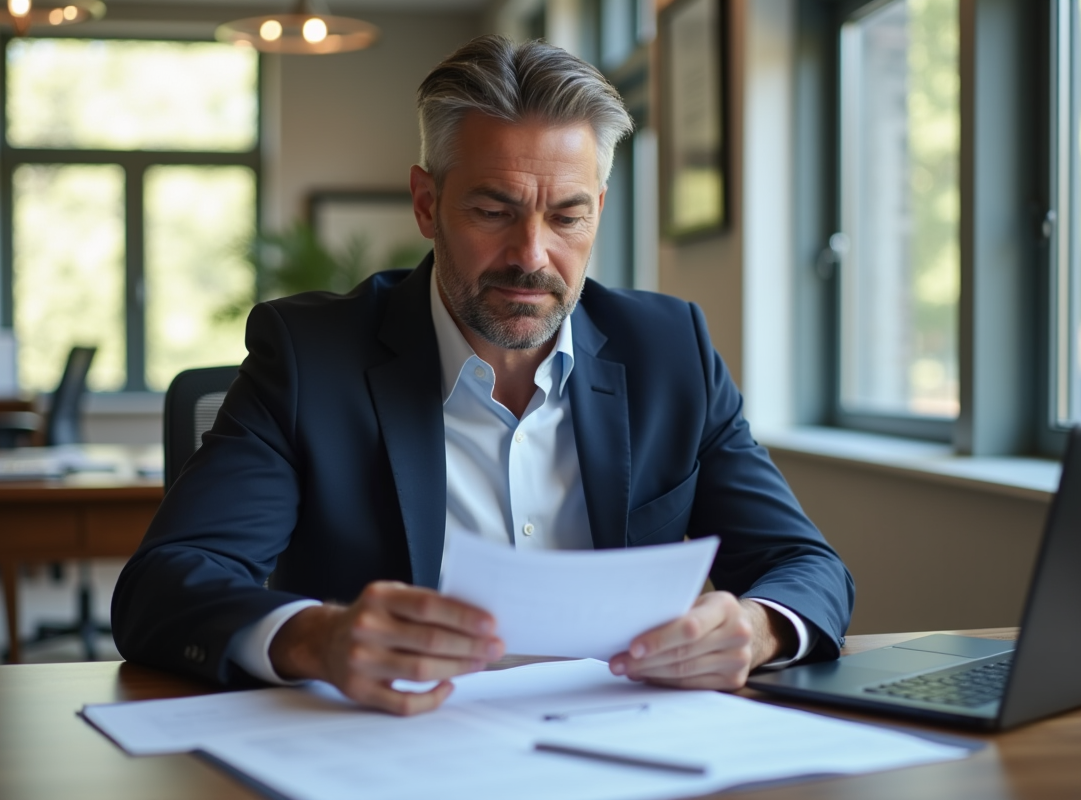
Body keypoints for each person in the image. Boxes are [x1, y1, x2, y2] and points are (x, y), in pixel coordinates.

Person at [112, 35, 854, 716]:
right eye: (495, 210)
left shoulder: (670, 351)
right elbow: (165, 583)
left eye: (567, 218)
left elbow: (804, 564)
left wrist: (757, 629)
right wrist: (316, 638)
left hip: (626, 744)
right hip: (392, 751)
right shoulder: (312, 357)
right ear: (428, 204)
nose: (531, 255)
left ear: (598, 209)